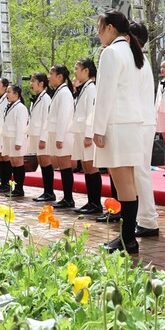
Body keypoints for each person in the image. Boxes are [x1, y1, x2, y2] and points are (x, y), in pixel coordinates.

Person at [93, 10, 146, 254]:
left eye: (100, 27)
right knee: (128, 184)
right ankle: (128, 237)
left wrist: (98, 128)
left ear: (111, 28)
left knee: (123, 184)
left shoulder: (112, 52)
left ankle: (127, 239)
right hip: (131, 123)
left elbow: (104, 94)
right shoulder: (131, 51)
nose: (98, 33)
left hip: (117, 124)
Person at [129, 21, 160, 238]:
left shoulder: (136, 60)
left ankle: (149, 220)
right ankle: (144, 218)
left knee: (140, 172)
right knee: (138, 172)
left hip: (141, 122)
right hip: (142, 121)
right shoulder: (139, 59)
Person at [42, 65, 75, 208]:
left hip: (63, 134)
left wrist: (60, 137)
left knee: (65, 166)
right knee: (62, 166)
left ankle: (68, 198)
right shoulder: (59, 92)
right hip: (57, 133)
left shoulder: (64, 93)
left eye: (51, 73)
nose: (49, 76)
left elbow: (64, 116)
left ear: (60, 76)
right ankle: (66, 197)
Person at [70, 59, 101, 215]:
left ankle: (96, 203)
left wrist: (89, 135)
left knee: (91, 168)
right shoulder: (84, 88)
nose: (75, 71)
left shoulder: (91, 88)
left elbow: (92, 112)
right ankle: (91, 202)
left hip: (86, 133)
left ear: (86, 71)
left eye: (77, 68)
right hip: (80, 131)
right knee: (86, 168)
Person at [28, 73, 54, 201]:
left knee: (45, 162)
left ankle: (49, 192)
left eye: (33, 81)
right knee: (41, 163)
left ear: (41, 83)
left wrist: (43, 138)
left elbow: (46, 120)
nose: (31, 84)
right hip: (35, 134)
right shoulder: (37, 98)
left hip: (42, 135)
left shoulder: (46, 99)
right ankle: (46, 191)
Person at [2, 84, 29, 197]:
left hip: (16, 138)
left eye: (9, 92)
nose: (6, 94)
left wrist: (18, 142)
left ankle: (19, 188)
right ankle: (16, 188)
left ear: (16, 94)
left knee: (18, 163)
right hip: (9, 137)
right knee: (13, 162)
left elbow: (21, 126)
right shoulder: (10, 106)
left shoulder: (20, 108)